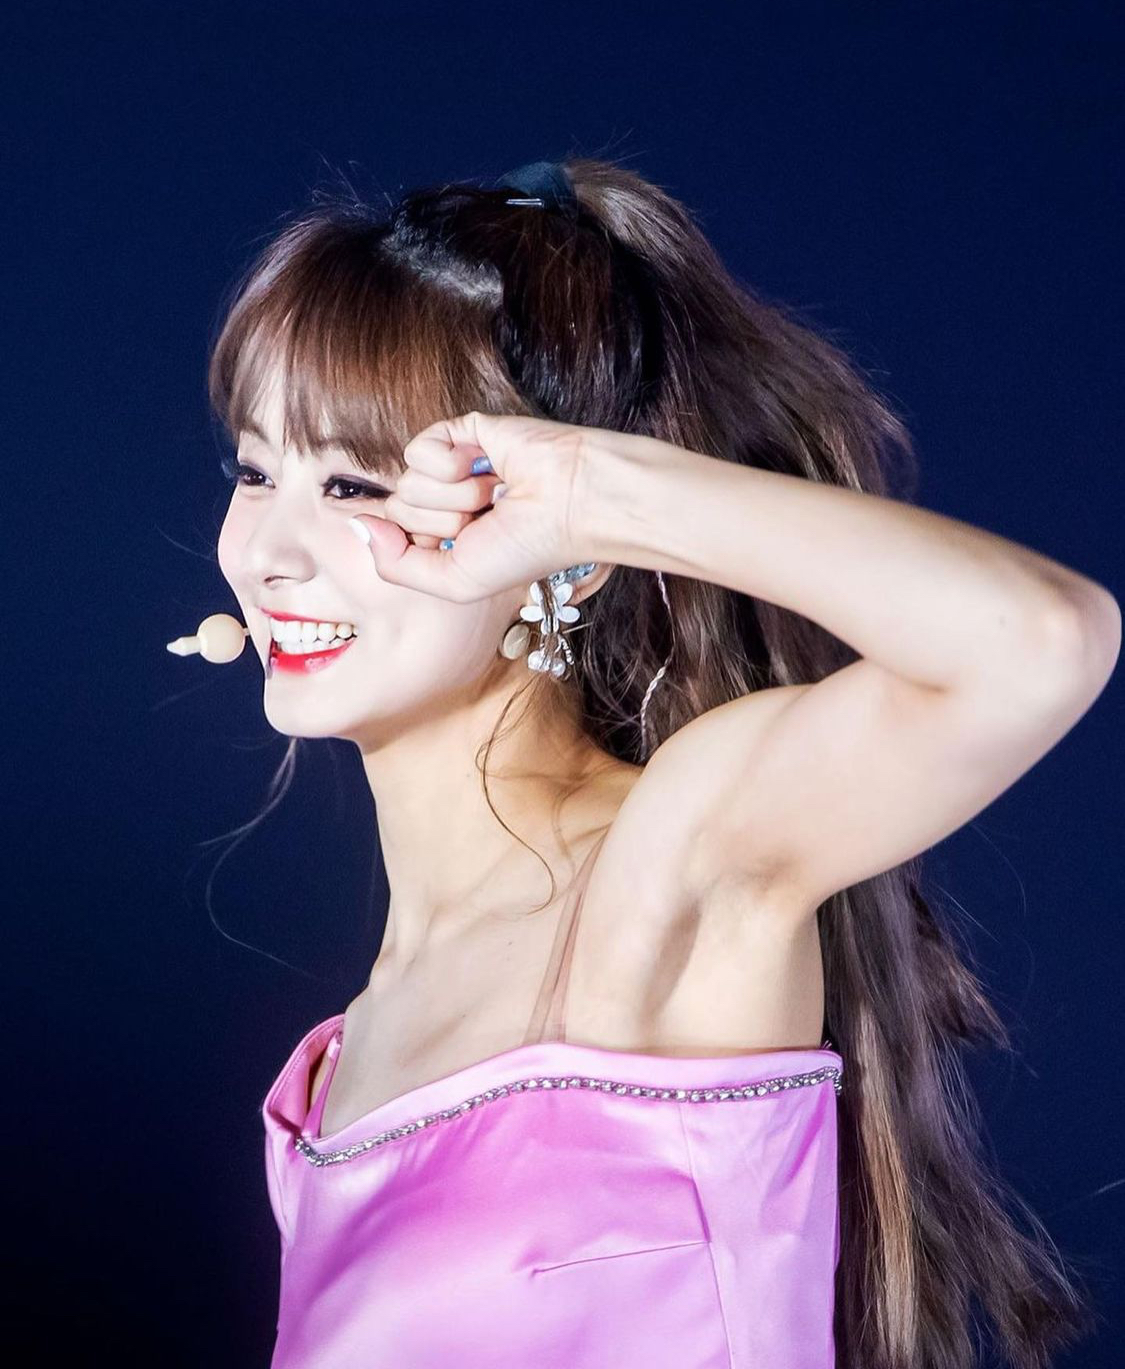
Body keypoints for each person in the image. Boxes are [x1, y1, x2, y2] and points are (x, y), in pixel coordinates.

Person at [193, 157, 1118, 1367]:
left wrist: (593, 492)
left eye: (355, 482)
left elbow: (1041, 642)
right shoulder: (346, 1047)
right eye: (256, 470)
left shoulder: (670, 855)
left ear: (553, 550)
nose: (269, 554)